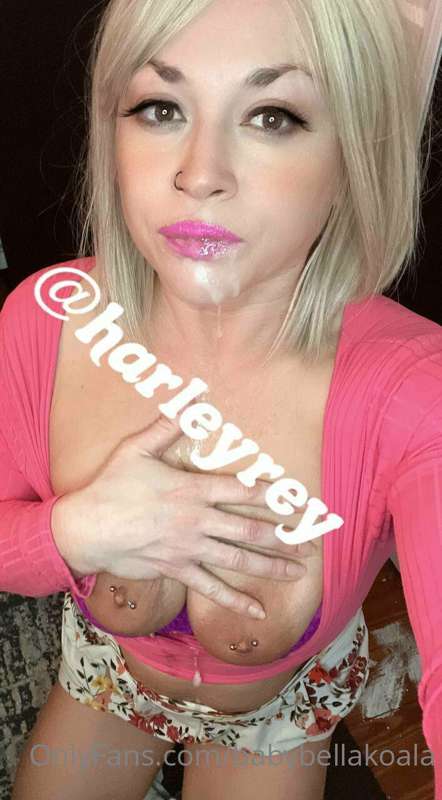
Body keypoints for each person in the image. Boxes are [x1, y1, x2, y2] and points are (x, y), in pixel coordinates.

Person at [2, 0, 441, 798]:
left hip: (277, 713)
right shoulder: (45, 316)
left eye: (273, 116)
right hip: (109, 675)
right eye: (160, 108)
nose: (199, 173)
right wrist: (72, 531)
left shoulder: (414, 390)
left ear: (354, 154)